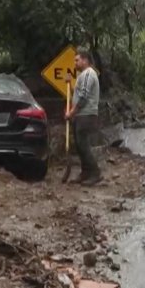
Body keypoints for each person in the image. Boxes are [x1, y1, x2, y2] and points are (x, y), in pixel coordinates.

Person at [65, 50, 102, 186]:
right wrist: (70, 85)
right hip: (81, 115)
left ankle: (95, 173)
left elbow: (84, 97)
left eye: (77, 60)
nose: (75, 63)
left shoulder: (88, 74)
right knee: (80, 146)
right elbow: (78, 94)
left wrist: (72, 113)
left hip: (86, 115)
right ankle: (85, 172)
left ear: (85, 60)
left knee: (84, 145)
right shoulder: (82, 75)